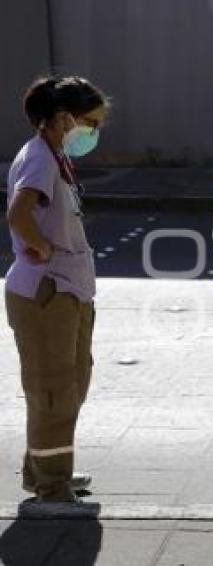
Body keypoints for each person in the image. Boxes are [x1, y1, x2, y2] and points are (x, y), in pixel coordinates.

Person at [5, 76, 108, 502]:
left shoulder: (54, 156)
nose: (95, 132)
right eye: (90, 122)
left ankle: (45, 471)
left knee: (72, 384)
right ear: (62, 118)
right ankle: (52, 485)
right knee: (53, 391)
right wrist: (40, 245)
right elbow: (18, 214)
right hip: (48, 294)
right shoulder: (41, 160)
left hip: (69, 291)